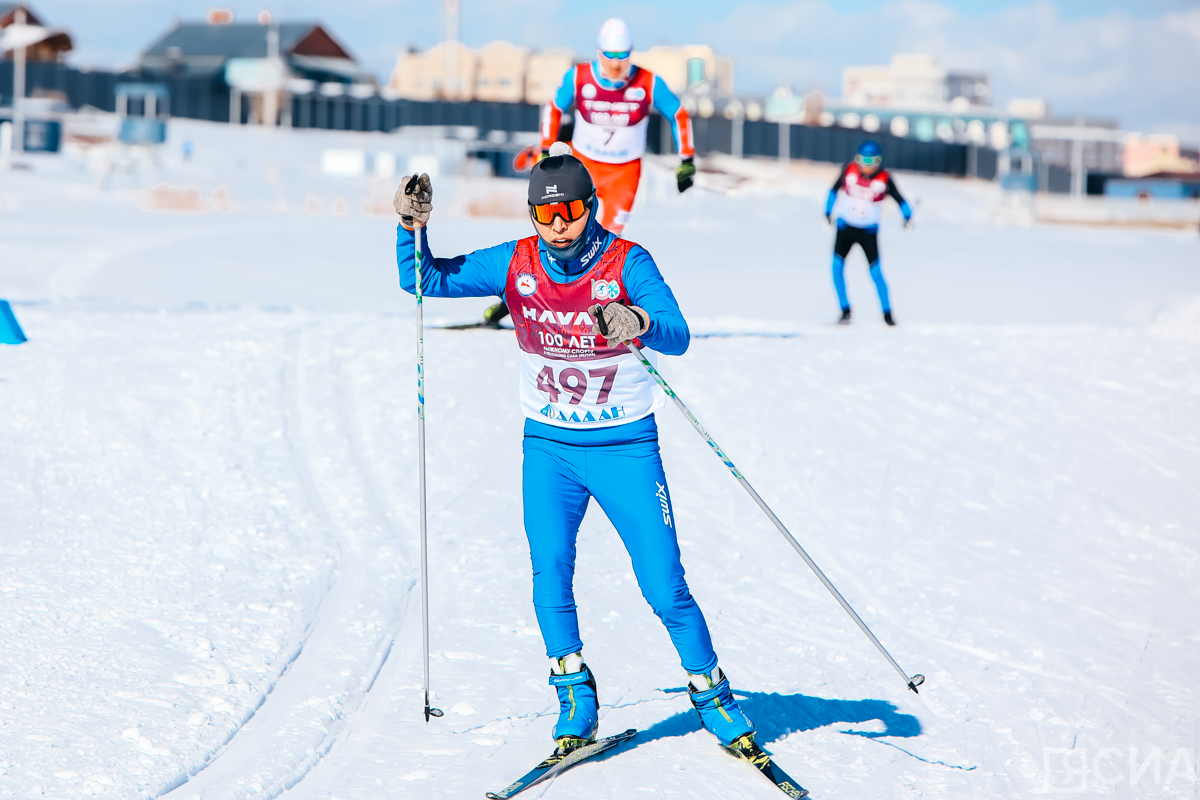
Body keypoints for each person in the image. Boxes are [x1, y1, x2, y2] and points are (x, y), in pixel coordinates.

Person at [393, 143, 757, 758]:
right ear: (532, 215)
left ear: (592, 206)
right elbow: (421, 279)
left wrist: (637, 320)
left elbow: (680, 335)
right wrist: (411, 228)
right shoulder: (518, 262)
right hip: (550, 448)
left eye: (571, 212)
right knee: (550, 572)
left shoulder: (627, 261)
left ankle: (713, 695)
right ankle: (574, 695)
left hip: (625, 447)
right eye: (545, 215)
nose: (559, 226)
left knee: (664, 583)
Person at [481, 18, 695, 329]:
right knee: (559, 233)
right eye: (610, 55)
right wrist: (544, 150)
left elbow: (679, 113)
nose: (616, 64)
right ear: (599, 53)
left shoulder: (647, 82)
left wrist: (686, 159)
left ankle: (593, 311)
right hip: (583, 168)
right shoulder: (580, 76)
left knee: (608, 244)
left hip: (625, 173)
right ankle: (514, 299)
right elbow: (554, 108)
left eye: (623, 56)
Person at [824, 140, 912, 326]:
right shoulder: (849, 171)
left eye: (871, 162)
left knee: (876, 272)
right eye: (863, 161)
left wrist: (907, 217)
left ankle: (888, 315)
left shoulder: (884, 178)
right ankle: (845, 310)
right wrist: (827, 212)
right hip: (845, 228)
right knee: (836, 268)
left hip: (868, 232)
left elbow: (900, 199)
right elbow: (833, 190)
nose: (867, 166)